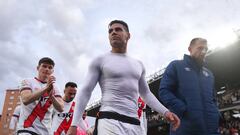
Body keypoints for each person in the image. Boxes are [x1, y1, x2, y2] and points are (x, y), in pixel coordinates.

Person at [67, 20, 180, 135]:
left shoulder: (138, 64)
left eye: (118, 29)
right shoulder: (100, 60)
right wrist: (74, 124)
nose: (113, 32)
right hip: (109, 120)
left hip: (134, 123)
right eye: (110, 31)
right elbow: (86, 91)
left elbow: (146, 94)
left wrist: (165, 112)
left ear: (128, 35)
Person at [159, 38, 220, 135]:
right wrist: (183, 109)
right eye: (200, 48)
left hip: (211, 128)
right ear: (190, 49)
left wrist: (216, 113)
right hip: (185, 128)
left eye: (206, 49)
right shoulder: (176, 66)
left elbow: (213, 98)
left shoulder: (209, 74)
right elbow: (164, 91)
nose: (203, 51)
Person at [17, 57, 64, 135]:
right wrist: (46, 89)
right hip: (27, 129)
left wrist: (51, 96)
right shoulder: (27, 81)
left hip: (45, 131)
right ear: (38, 68)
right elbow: (25, 99)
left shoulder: (55, 87)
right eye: (44, 66)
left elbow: (61, 108)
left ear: (52, 71)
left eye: (50, 67)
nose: (47, 69)